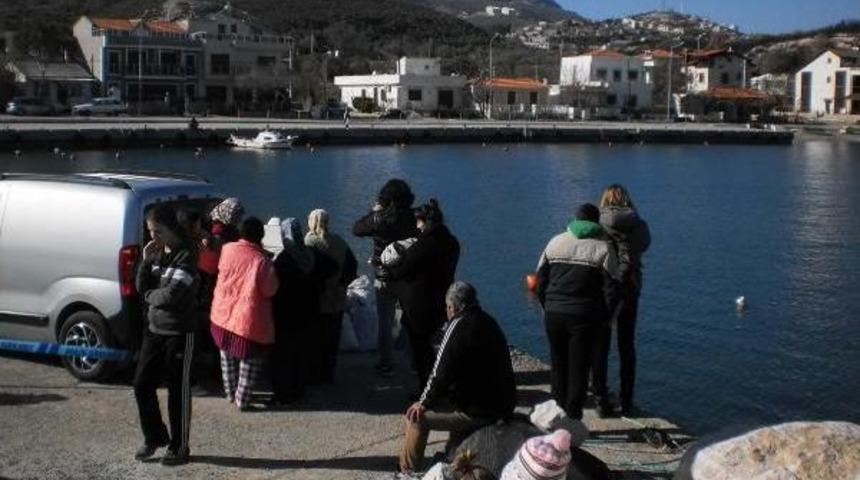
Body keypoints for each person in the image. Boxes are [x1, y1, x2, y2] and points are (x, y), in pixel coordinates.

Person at [398, 281, 516, 474]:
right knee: (450, 399)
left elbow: (439, 372)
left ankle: (408, 472)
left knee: (416, 418)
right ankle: (451, 455)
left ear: (453, 307)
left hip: (478, 411)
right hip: (502, 404)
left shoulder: (458, 325)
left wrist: (423, 403)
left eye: (447, 307)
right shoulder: (489, 322)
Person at [535, 203, 620, 420]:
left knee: (558, 364)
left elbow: (540, 281)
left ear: (574, 220)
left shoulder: (555, 242)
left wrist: (546, 306)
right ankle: (572, 417)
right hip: (584, 316)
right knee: (578, 368)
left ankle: (556, 414)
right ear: (596, 223)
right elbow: (613, 289)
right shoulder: (603, 248)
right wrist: (605, 318)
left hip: (554, 313)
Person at [133, 205, 199, 466]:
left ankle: (179, 446)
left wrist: (149, 295)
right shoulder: (156, 254)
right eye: (150, 232)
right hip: (153, 330)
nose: (153, 237)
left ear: (172, 228)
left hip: (179, 331)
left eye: (158, 231)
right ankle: (155, 436)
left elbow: (171, 295)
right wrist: (145, 261)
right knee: (141, 384)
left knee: (177, 390)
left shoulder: (187, 255)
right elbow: (141, 286)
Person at [385, 199, 460, 391]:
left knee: (421, 348)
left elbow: (403, 269)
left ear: (425, 222)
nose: (417, 227)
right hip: (442, 298)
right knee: (431, 344)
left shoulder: (424, 244)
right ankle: (439, 382)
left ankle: (426, 389)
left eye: (418, 222)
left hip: (420, 302)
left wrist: (386, 268)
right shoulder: (452, 243)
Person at [210, 217, 279, 410]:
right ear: (261, 236)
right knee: (249, 362)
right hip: (247, 320)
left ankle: (230, 393)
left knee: (227, 358)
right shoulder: (261, 261)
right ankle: (242, 399)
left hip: (222, 314)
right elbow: (270, 290)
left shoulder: (227, 249)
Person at [352, 179, 418, 378]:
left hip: (385, 276)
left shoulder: (380, 219)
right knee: (410, 319)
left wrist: (374, 212)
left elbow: (357, 229)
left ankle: (386, 363)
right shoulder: (414, 217)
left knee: (385, 321)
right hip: (408, 276)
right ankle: (413, 360)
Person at [598, 184, 650, 415]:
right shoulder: (639, 223)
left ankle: (601, 399)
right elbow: (645, 245)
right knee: (627, 345)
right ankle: (627, 402)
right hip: (631, 284)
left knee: (601, 343)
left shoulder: (599, 222)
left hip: (606, 286)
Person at [270, 218, 319, 405]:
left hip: (285, 312)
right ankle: (299, 388)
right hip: (306, 311)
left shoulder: (284, 258)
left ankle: (283, 392)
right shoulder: (309, 254)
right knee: (300, 351)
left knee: (282, 354)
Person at [304, 209, 356, 384]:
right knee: (332, 338)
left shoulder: (309, 242)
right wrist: (342, 284)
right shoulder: (340, 241)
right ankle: (328, 374)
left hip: (317, 299)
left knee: (315, 338)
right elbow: (352, 266)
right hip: (337, 298)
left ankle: (314, 374)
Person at [176, 208, 221, 396]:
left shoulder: (202, 240)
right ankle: (189, 382)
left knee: (196, 340)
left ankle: (196, 378)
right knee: (189, 342)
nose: (195, 229)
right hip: (190, 299)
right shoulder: (184, 245)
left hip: (199, 297)